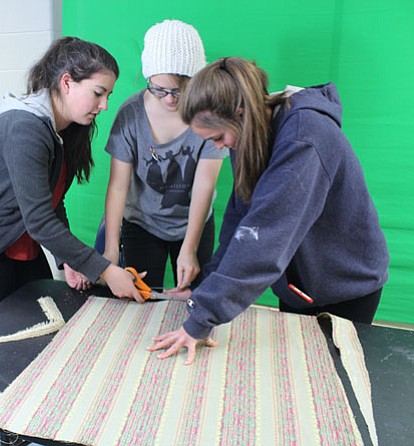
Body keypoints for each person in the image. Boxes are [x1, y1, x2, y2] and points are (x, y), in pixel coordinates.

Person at [148, 57, 389, 364]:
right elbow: (239, 224)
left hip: (345, 283)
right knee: (295, 371)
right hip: (300, 283)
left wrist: (201, 319)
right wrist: (205, 288)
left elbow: (264, 239)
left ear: (239, 113)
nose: (219, 147)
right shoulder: (247, 137)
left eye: (219, 137)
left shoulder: (306, 136)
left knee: (331, 378)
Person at [0, 37, 144, 323]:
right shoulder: (24, 128)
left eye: (108, 96)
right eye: (98, 93)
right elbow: (39, 219)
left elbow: (53, 200)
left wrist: (69, 260)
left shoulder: (69, 128)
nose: (104, 105)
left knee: (46, 327)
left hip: (21, 240)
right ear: (66, 82)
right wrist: (104, 270)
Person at [102, 19, 227, 291]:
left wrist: (189, 248)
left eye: (179, 91)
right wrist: (111, 250)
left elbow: (204, 185)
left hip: (195, 221)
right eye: (159, 90)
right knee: (143, 298)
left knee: (198, 296)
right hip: (142, 224)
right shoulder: (131, 114)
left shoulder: (211, 114)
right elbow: (118, 186)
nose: (170, 99)